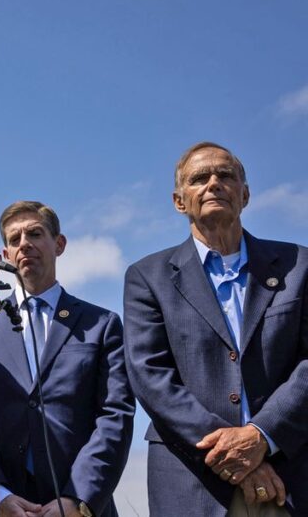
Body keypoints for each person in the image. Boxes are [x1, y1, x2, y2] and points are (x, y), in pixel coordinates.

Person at [124, 142, 307, 516]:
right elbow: (150, 376)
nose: (213, 184)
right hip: (191, 482)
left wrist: (260, 437)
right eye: (199, 179)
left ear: (245, 194)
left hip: (289, 480)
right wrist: (234, 455)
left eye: (225, 176)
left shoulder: (299, 265)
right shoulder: (147, 277)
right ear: (180, 201)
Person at [0, 201, 134, 517]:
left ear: (59, 244)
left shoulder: (101, 324)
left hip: (78, 505)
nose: (24, 244)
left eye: (35, 233)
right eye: (14, 239)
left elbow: (114, 415)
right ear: (5, 255)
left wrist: (77, 499)